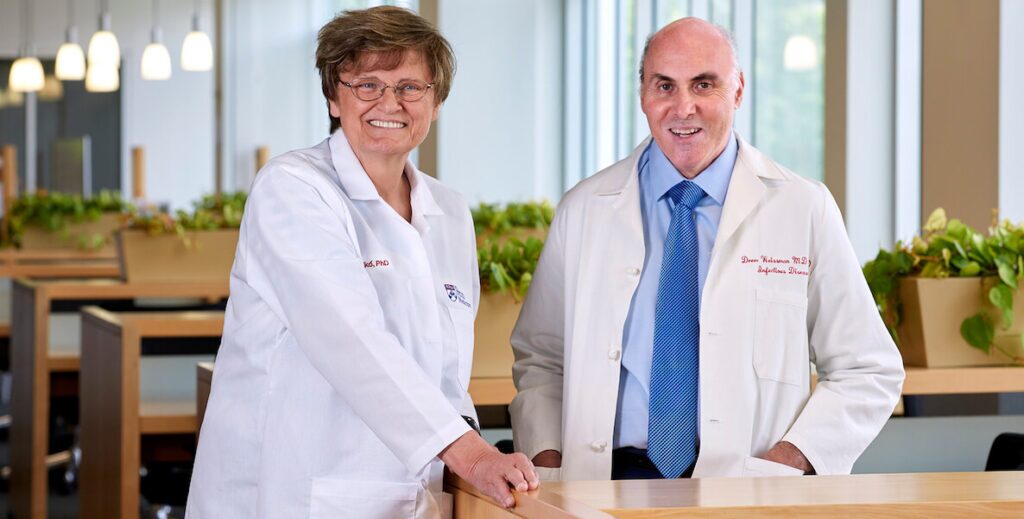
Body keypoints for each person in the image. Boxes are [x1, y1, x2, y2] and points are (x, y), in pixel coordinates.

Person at [510, 17, 905, 481]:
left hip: (746, 487)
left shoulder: (802, 207)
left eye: (704, 85)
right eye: (665, 86)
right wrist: (550, 460)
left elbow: (868, 368)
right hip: (603, 483)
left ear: (737, 91)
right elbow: (541, 359)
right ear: (643, 95)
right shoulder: (585, 208)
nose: (684, 107)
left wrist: (787, 463)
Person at [187, 7, 537, 517]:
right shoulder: (293, 189)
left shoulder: (449, 211)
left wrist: (468, 461)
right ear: (334, 96)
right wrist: (473, 455)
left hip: (414, 490)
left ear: (435, 102)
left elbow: (447, 370)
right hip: (294, 488)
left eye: (410, 87)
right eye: (367, 85)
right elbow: (350, 341)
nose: (389, 103)